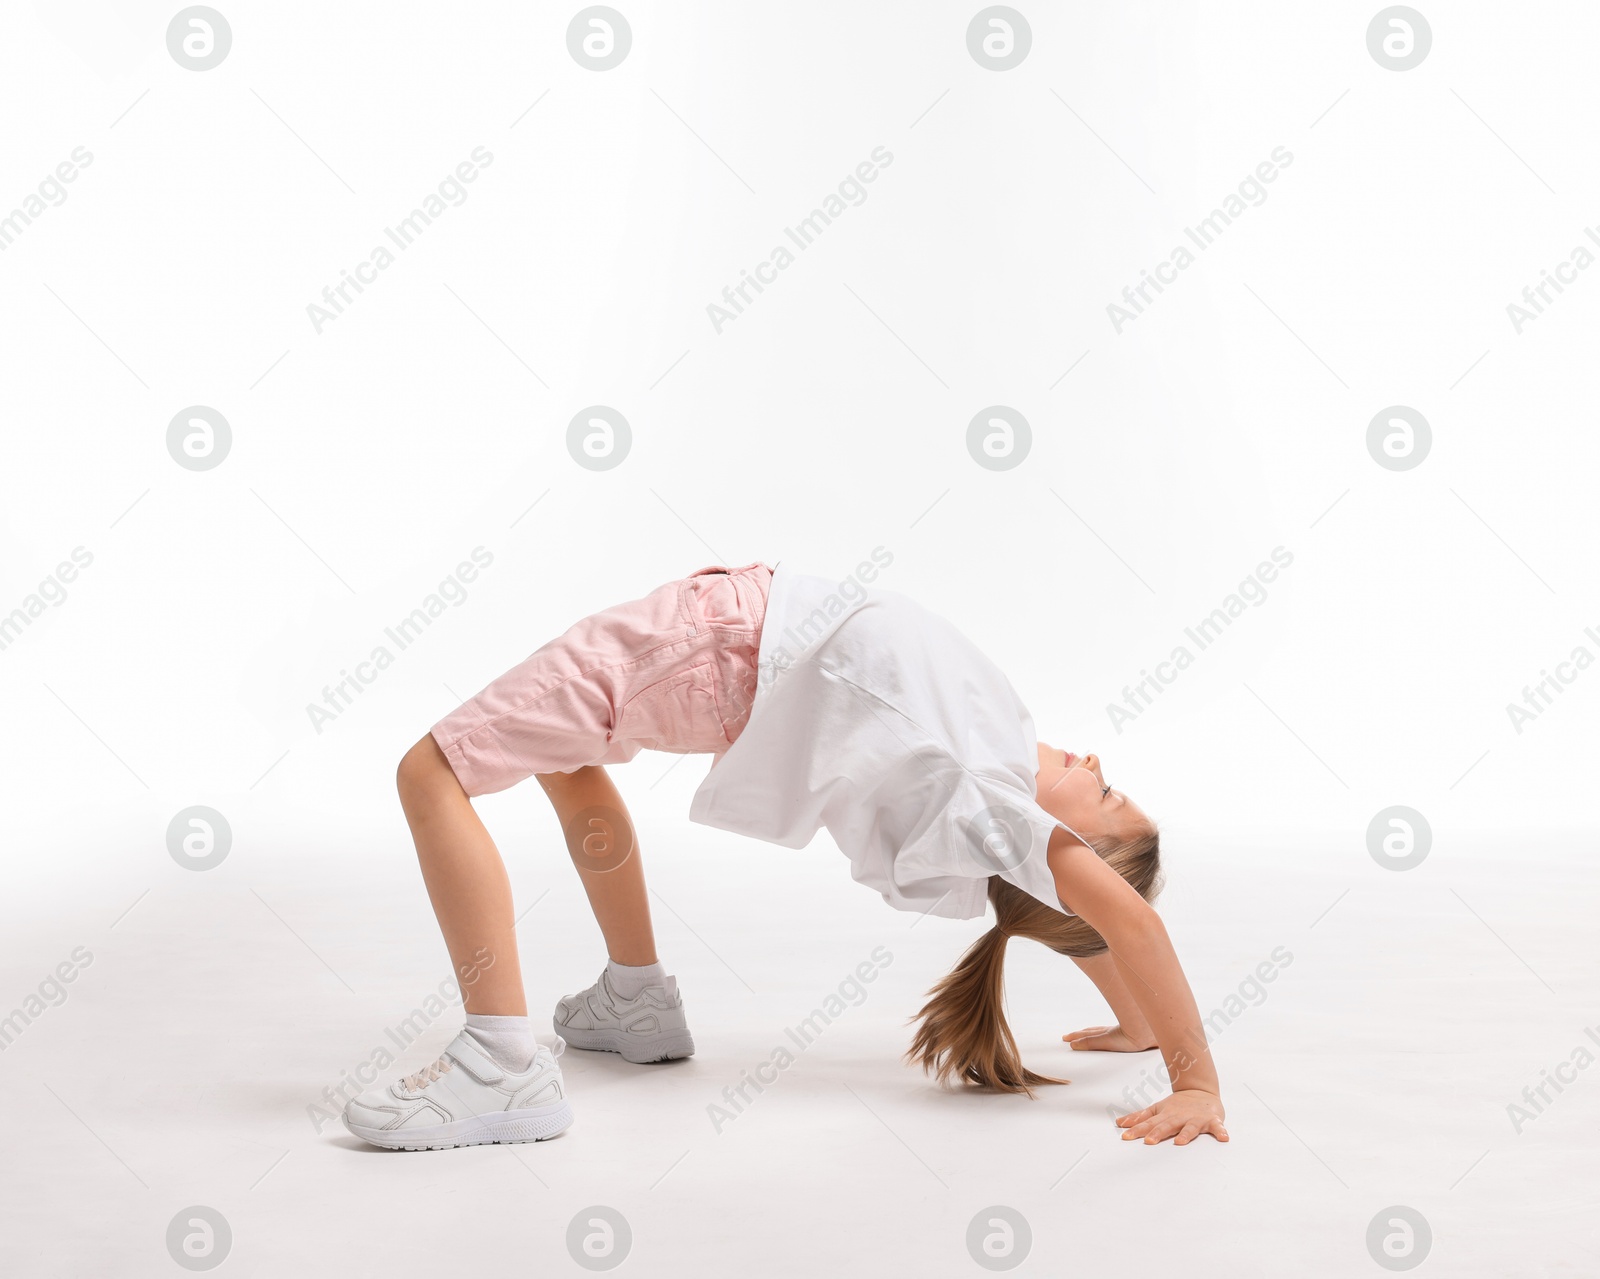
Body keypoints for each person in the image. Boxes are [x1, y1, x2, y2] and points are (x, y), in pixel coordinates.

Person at [339, 559, 1227, 1151]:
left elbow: (1122, 911)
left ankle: (498, 1062)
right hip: (724, 641)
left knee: (433, 769)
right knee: (565, 754)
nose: (1100, 767)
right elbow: (1096, 915)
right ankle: (636, 1001)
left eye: (1106, 797)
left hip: (714, 644)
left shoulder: (992, 802)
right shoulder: (1003, 765)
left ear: (1060, 845)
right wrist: (1137, 1023)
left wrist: (1196, 1082)